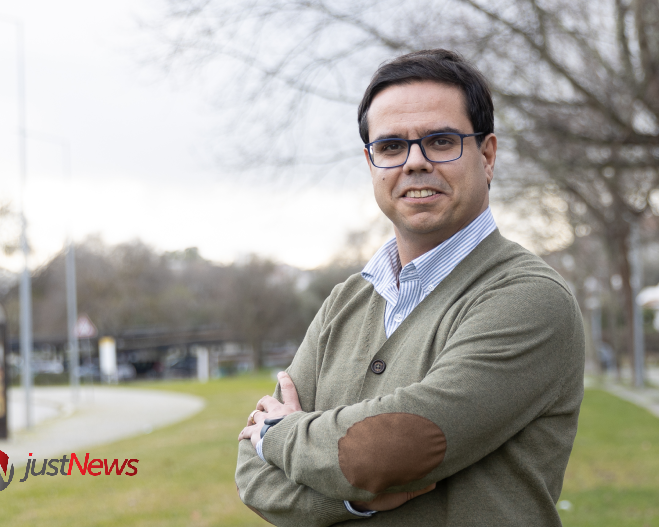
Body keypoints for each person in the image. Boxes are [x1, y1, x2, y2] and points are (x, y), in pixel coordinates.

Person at [236, 49, 585, 527]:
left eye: (441, 141)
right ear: (371, 162)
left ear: (487, 156)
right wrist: (353, 500)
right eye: (391, 147)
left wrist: (279, 434)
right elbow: (252, 475)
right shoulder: (345, 302)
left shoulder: (529, 298)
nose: (415, 163)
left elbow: (395, 448)